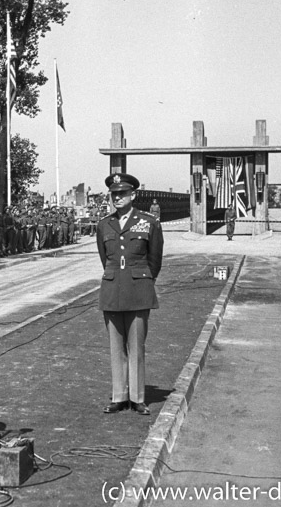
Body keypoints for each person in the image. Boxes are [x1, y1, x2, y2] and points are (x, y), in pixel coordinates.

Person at [96, 173, 164, 416]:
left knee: (136, 346)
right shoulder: (104, 224)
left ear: (133, 195)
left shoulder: (149, 222)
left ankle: (137, 398)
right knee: (116, 347)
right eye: (114, 194)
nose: (117, 198)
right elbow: (106, 259)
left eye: (122, 194)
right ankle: (119, 396)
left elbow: (155, 260)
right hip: (112, 291)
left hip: (138, 291)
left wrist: (142, 280)